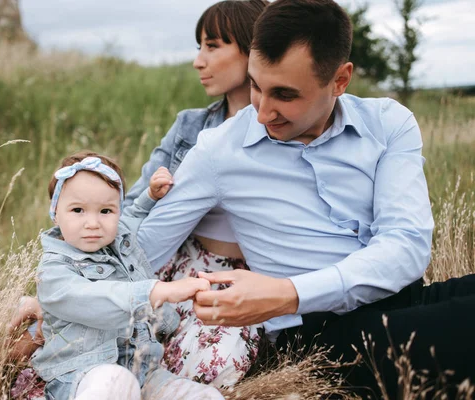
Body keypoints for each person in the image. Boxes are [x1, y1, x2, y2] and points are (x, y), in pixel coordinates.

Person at [135, 0, 475, 396]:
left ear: (340, 80)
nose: (262, 113)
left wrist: (286, 292)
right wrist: (61, 292)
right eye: (256, 86)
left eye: (284, 94)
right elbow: (141, 251)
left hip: (402, 299)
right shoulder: (217, 149)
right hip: (316, 335)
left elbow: (407, 246)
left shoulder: (389, 123)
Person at [9, 0, 269, 389]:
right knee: (107, 339)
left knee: (209, 367)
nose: (199, 61)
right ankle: (51, 321)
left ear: (254, 50)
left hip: (235, 274)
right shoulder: (189, 126)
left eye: (212, 46)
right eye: (199, 46)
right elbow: (128, 206)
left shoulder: (282, 129)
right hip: (168, 259)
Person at [31, 151, 224, 400]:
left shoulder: (118, 235)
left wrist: (151, 196)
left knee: (205, 397)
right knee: (114, 384)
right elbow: (94, 299)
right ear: (55, 213)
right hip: (83, 372)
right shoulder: (53, 271)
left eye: (105, 211)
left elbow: (132, 216)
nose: (93, 223)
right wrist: (155, 291)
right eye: (78, 210)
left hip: (144, 371)